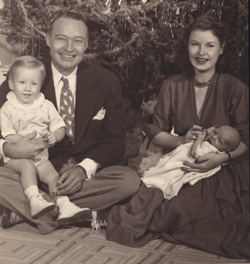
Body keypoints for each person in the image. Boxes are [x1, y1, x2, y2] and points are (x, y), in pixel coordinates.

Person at [106, 14, 249, 259]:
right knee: (161, 203)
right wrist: (181, 141)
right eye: (195, 44)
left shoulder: (235, 88)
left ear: (221, 49)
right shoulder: (173, 85)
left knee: (204, 214)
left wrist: (221, 158)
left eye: (210, 45)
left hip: (223, 167)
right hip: (179, 164)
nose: (201, 52)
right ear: (188, 46)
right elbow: (156, 132)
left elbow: (246, 141)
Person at [0, 11, 140, 234]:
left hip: (76, 177)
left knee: (128, 181)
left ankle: (35, 208)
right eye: (61, 38)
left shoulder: (106, 81)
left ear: (86, 45)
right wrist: (10, 147)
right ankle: (69, 210)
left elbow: (114, 141)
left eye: (77, 41)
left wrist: (82, 171)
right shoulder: (24, 76)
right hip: (30, 169)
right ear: (47, 39)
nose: (69, 48)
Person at [1, 55, 92, 222]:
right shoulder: (8, 107)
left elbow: (60, 127)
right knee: (27, 167)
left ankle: (63, 204)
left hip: (42, 158)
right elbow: (7, 133)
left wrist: (54, 137)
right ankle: (35, 200)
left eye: (34, 84)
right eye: (22, 83)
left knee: (53, 177)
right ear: (11, 84)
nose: (28, 88)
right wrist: (21, 143)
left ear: (40, 85)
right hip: (18, 157)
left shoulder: (45, 105)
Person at [142, 125, 240, 200]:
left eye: (220, 141)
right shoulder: (211, 143)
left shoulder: (212, 150)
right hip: (179, 157)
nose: (214, 137)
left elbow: (194, 153)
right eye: (215, 132)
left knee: (166, 172)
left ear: (225, 150)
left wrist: (199, 140)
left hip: (183, 164)